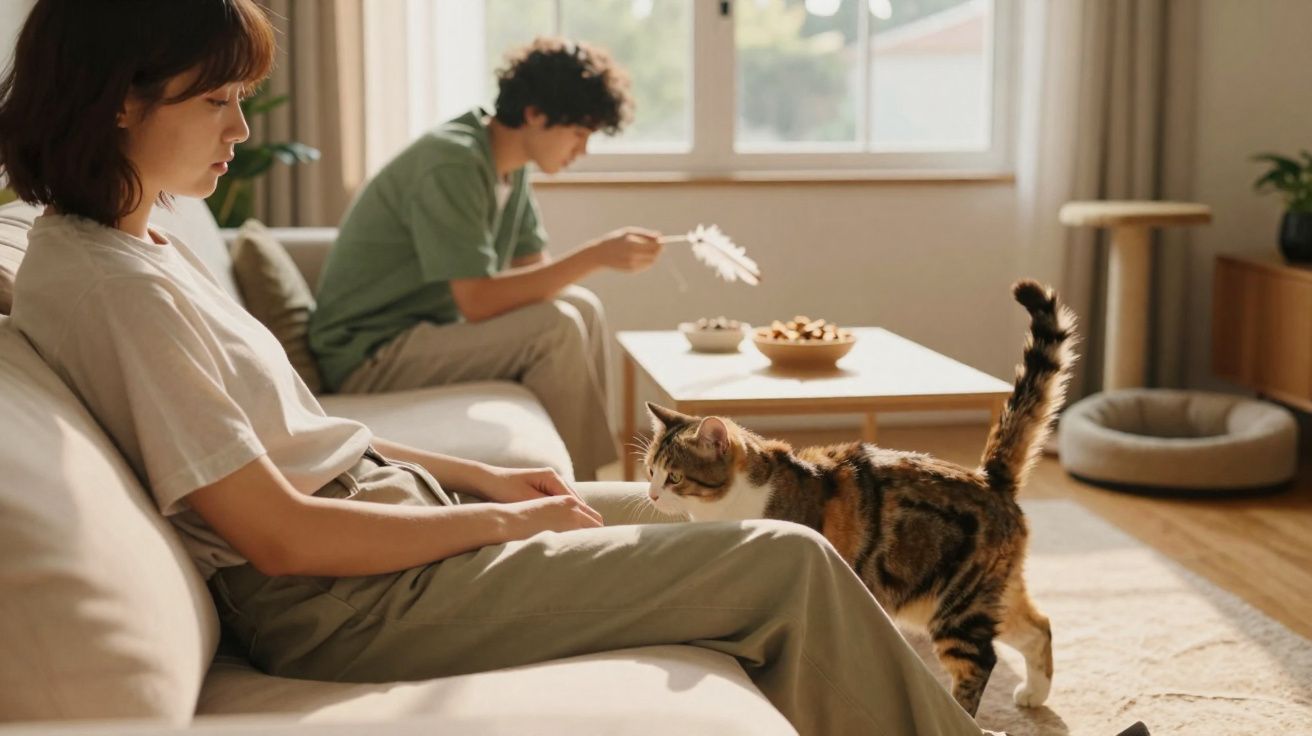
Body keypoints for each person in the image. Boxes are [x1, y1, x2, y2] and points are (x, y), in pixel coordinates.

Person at [0, 2, 995, 734]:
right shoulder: (107, 288)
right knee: (785, 560)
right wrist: (496, 520)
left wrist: (475, 476)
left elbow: (293, 434)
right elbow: (282, 535)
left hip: (394, 526)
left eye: (241, 100)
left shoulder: (140, 246)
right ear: (117, 103)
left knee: (748, 519)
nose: (242, 129)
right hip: (345, 600)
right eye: (217, 100)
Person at [308, 37, 659, 481]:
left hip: (425, 329)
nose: (582, 150)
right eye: (578, 133)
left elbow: (534, 276)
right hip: (368, 352)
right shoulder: (453, 161)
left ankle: (593, 481)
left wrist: (596, 259)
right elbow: (478, 301)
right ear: (534, 114)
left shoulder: (508, 169)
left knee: (582, 307)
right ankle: (589, 494)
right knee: (555, 328)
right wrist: (597, 253)